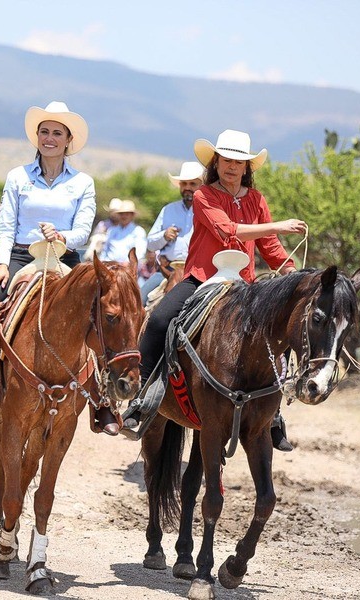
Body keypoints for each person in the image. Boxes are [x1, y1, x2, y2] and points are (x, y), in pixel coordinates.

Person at [121, 130, 306, 450]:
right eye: (226, 160)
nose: (232, 166)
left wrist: (292, 273)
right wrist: (278, 225)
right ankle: (142, 400)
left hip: (244, 285)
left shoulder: (257, 200)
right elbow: (226, 230)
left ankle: (272, 413)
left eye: (239, 161)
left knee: (281, 329)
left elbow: (271, 248)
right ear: (215, 162)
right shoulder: (205, 196)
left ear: (247, 166)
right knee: (160, 320)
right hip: (201, 277)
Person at [0, 101, 117, 434]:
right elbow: (5, 224)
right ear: (37, 138)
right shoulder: (18, 177)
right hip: (19, 255)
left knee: (104, 319)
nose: (49, 138)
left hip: (65, 256)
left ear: (68, 140)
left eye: (57, 133)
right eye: (44, 131)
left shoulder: (82, 183)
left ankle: (104, 402)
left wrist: (62, 235)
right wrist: (0, 264)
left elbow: (83, 230)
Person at [139, 161, 201, 301]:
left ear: (201, 186)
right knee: (139, 300)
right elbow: (150, 244)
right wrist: (164, 236)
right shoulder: (168, 210)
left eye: (192, 184)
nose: (187, 188)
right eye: (184, 184)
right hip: (167, 271)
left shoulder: (209, 210)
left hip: (197, 273)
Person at [99, 198, 147, 265]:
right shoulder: (112, 230)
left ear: (132, 215)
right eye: (121, 214)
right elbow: (105, 250)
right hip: (110, 267)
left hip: (128, 268)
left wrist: (128, 263)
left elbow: (140, 252)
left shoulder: (138, 231)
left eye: (127, 214)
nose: (124, 216)